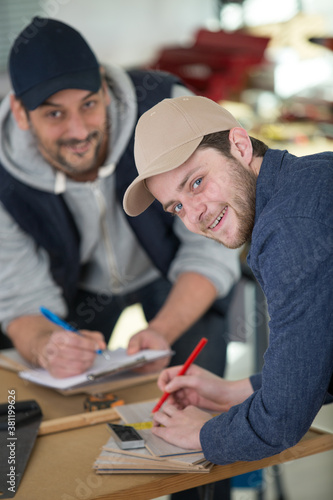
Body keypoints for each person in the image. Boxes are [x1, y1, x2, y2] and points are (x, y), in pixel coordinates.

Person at [0, 17, 240, 392]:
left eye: (89, 104)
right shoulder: (4, 178)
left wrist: (162, 331)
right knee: (70, 395)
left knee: (197, 394)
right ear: (19, 112)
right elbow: (20, 300)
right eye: (54, 113)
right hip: (75, 291)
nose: (78, 131)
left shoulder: (168, 111)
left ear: (105, 88)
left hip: (174, 272)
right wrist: (46, 346)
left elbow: (212, 247)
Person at [123, 95, 333, 465]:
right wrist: (236, 390)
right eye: (176, 207)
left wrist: (202, 434)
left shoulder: (288, 230)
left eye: (197, 182)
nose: (194, 218)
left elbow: (280, 424)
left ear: (239, 145)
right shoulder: (313, 177)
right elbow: (320, 348)